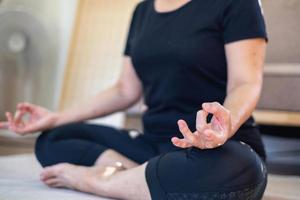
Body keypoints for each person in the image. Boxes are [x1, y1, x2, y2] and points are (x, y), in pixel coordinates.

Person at [0, 0, 268, 199]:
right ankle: (142, 175)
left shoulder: (237, 3)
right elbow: (125, 90)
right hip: (153, 144)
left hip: (217, 148)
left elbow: (246, 83)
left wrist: (222, 127)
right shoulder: (142, 11)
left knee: (242, 170)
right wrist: (55, 117)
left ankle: (101, 181)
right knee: (53, 138)